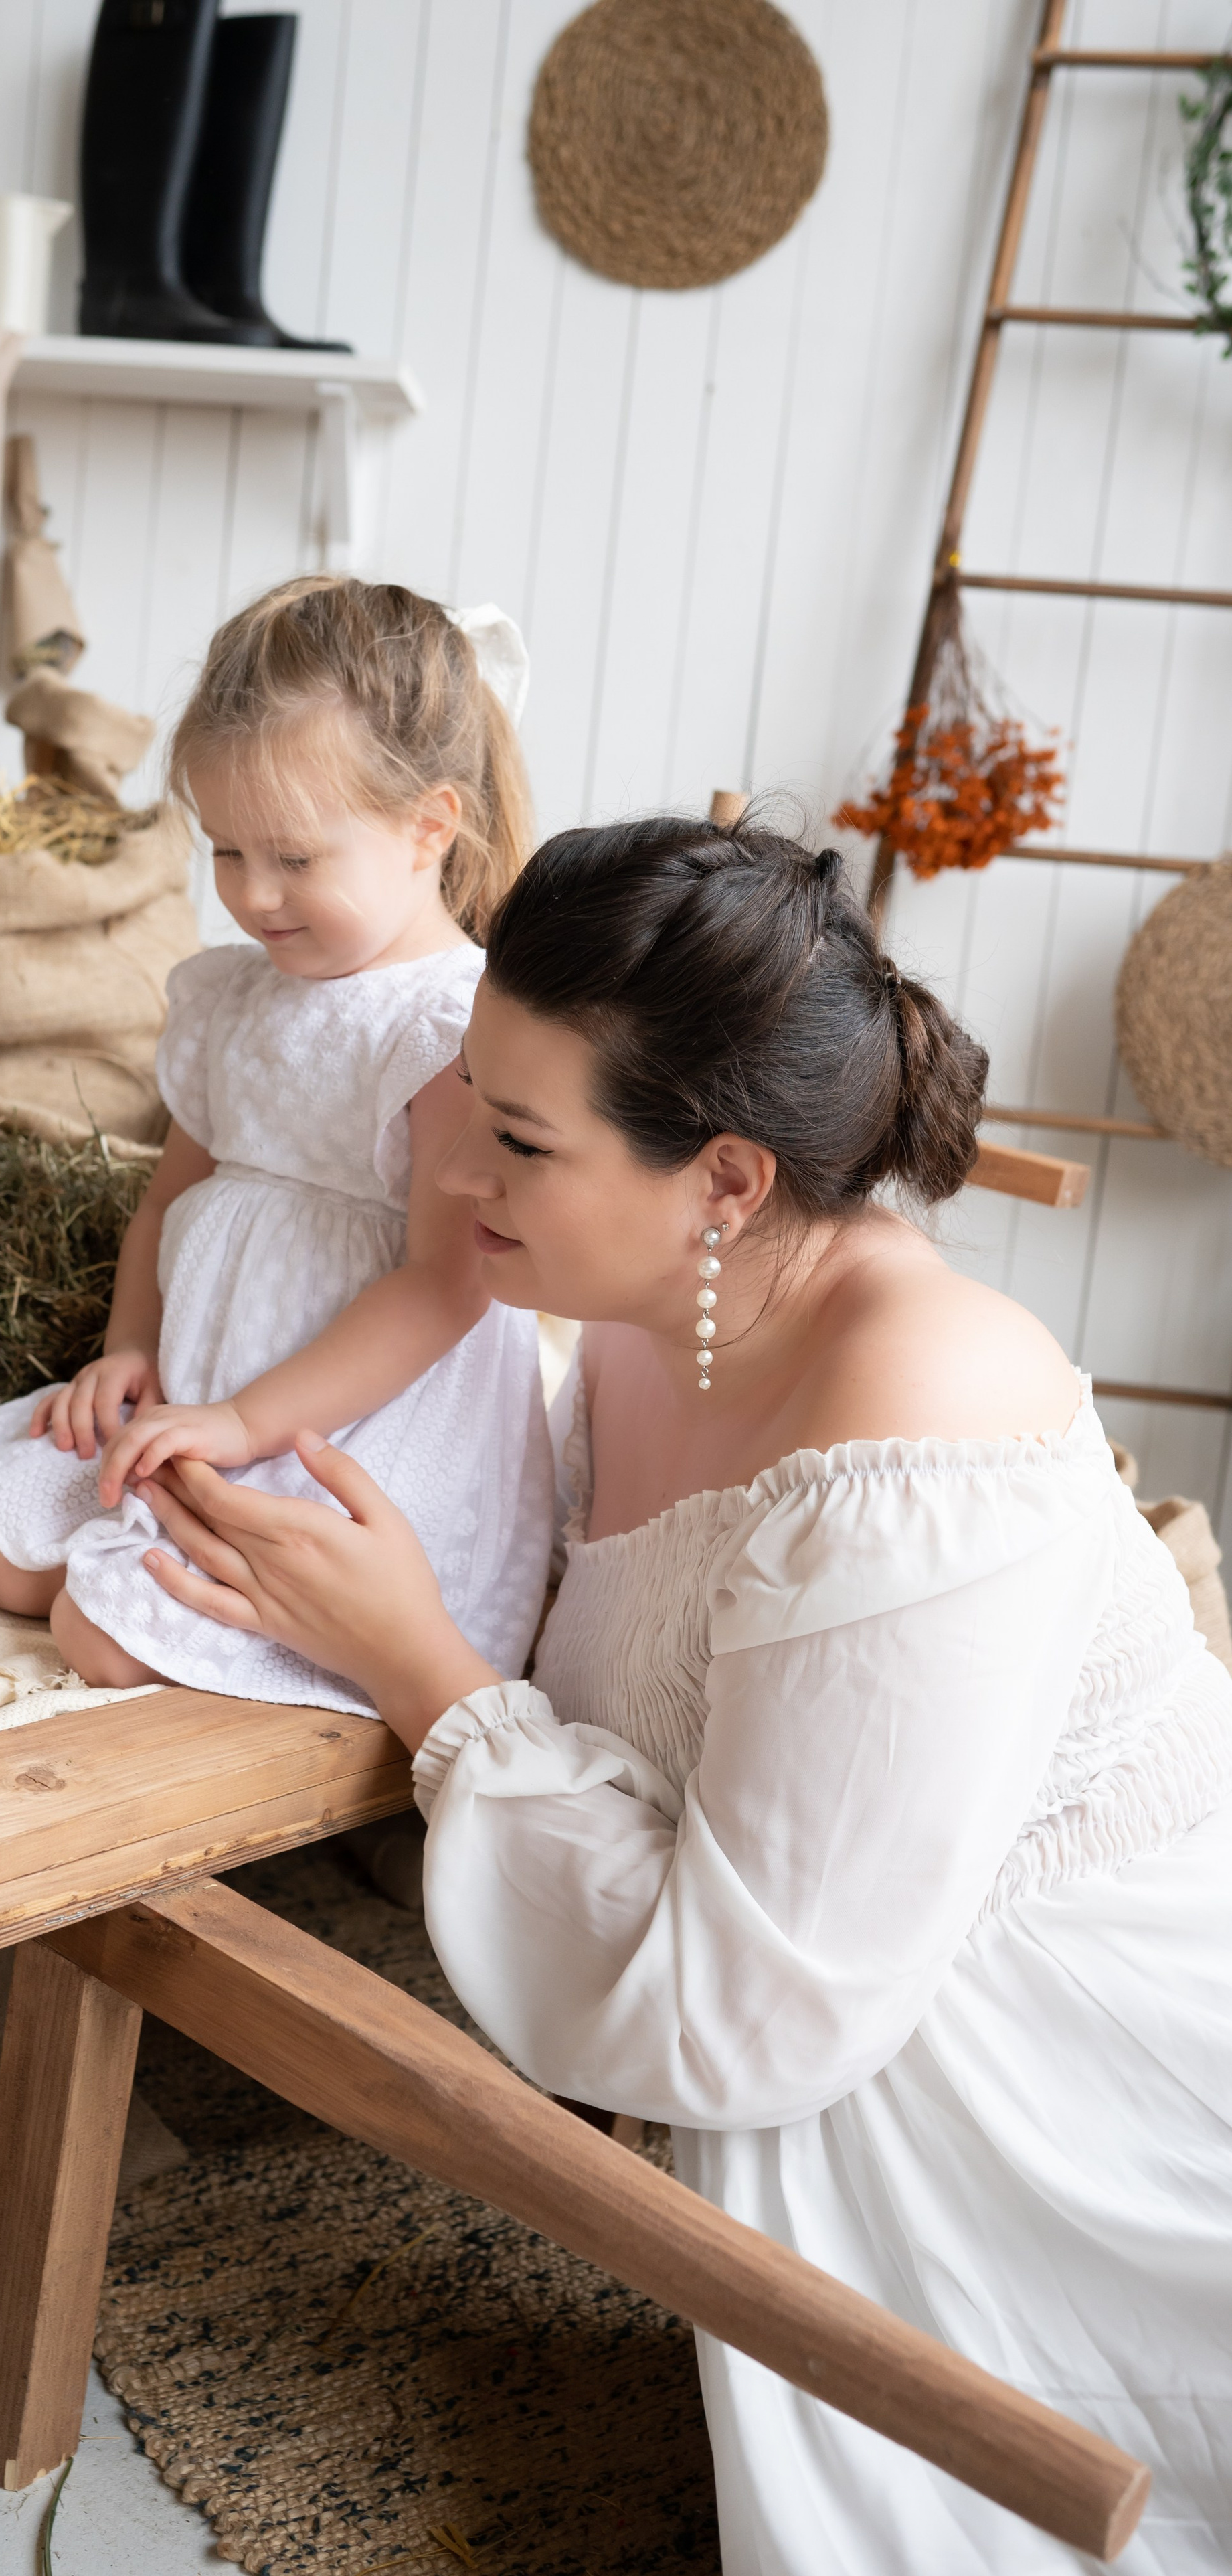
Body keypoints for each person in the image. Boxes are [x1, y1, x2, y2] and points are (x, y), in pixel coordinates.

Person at [128, 811, 1232, 2574]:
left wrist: (418, 1662)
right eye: (464, 1095)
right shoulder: (631, 1322)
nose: (452, 1170)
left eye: (518, 1139)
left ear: (724, 1181)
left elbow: (755, 2010)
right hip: (843, 2022)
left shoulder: (922, 1408)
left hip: (1043, 2083)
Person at [0, 574, 553, 1710]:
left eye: (295, 859)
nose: (255, 896)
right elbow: (166, 1202)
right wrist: (131, 1353)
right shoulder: (235, 994)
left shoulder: (446, 1026)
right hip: (202, 1382)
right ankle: (138, 1518)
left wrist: (243, 1424)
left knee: (97, 1635)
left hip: (349, 1423)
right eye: (226, 852)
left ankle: (182, 1586)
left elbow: (445, 1289)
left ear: (428, 828)